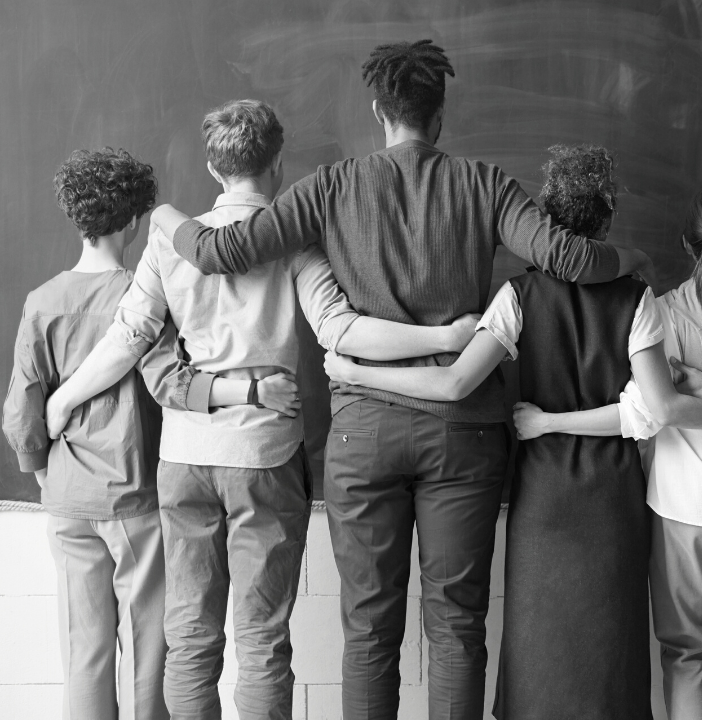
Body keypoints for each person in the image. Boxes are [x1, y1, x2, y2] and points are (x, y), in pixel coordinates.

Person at [149, 42, 650, 720]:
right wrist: (632, 255)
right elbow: (566, 257)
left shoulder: (329, 186)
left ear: (379, 113)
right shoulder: (486, 183)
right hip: (464, 434)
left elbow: (222, 252)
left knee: (368, 636)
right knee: (456, 628)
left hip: (363, 434)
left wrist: (165, 219)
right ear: (438, 117)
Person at [323, 145, 702, 720]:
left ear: (544, 217)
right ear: (607, 218)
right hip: (614, 498)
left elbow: (454, 385)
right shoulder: (638, 299)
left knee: (539, 655)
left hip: (542, 495)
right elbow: (654, 408)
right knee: (610, 660)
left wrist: (354, 371)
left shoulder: (516, 296)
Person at [43, 101, 468, 720]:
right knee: (262, 637)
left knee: (188, 639)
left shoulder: (169, 242)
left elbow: (127, 339)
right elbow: (339, 328)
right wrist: (445, 339)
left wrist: (62, 397)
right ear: (277, 159)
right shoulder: (294, 240)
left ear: (214, 170)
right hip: (265, 457)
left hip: (185, 457)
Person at [1, 148, 294, 720]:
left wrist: (42, 468)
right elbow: (167, 380)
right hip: (134, 497)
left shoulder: (41, 301)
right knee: (149, 651)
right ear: (135, 220)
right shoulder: (140, 293)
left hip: (66, 497)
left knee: (83, 653)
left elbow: (21, 407)